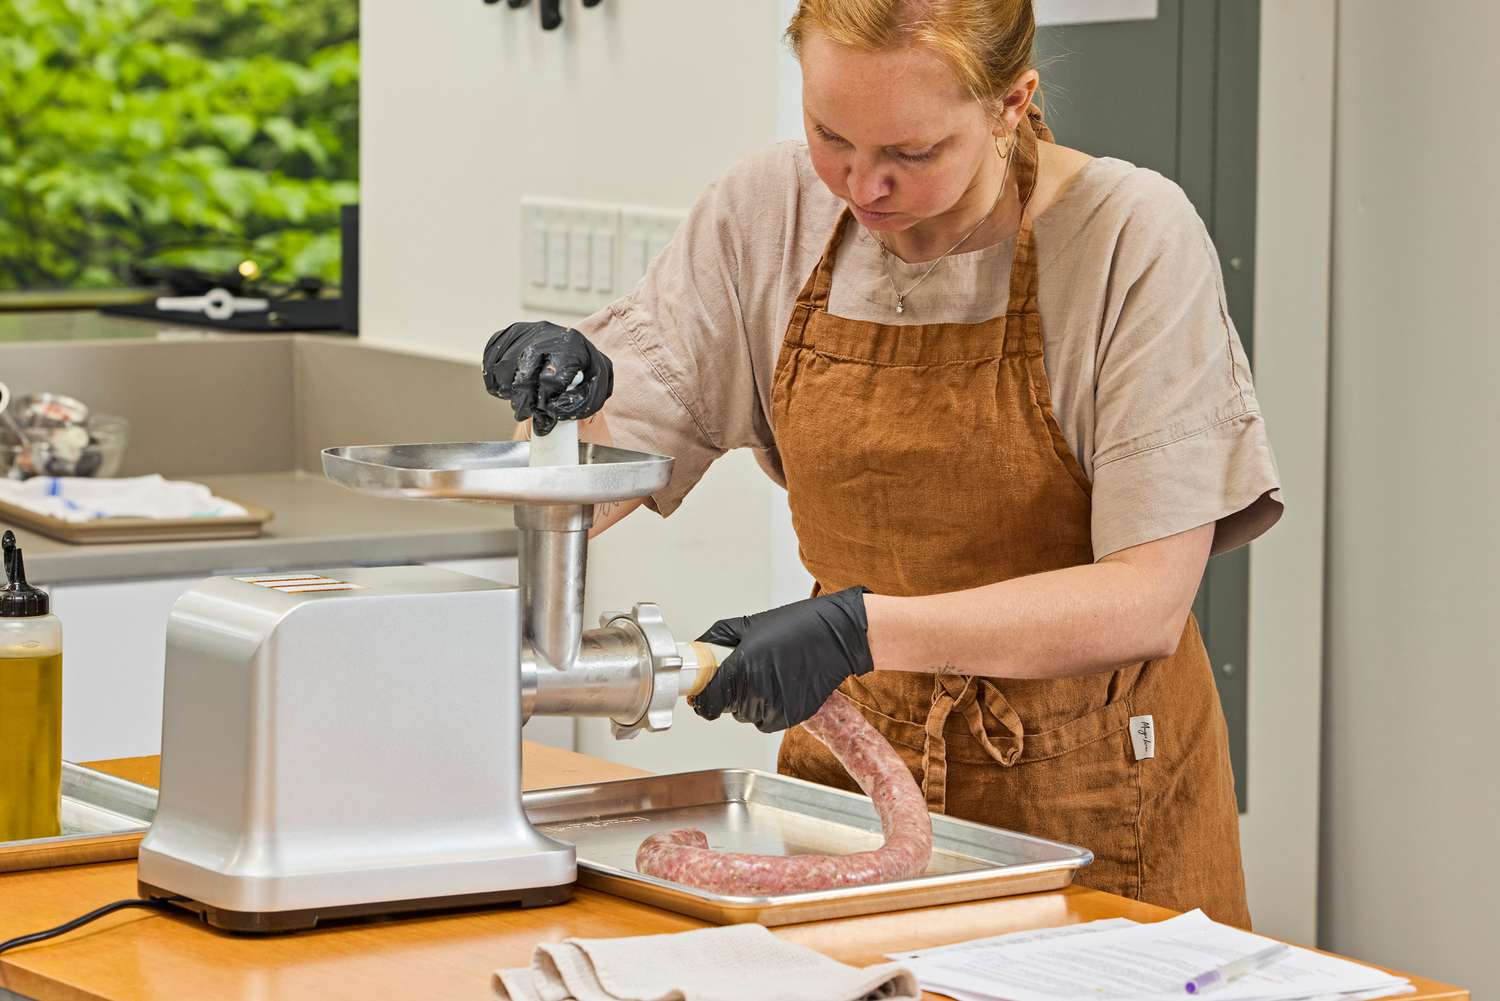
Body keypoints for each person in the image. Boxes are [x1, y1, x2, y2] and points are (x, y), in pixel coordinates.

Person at [481, 0, 1281, 928]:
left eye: (912, 153)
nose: (864, 185)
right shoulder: (767, 213)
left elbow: (1142, 601)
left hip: (1095, 786)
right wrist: (563, 411)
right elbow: (616, 461)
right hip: (849, 776)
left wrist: (858, 629)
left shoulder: (1127, 237)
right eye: (831, 135)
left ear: (1010, 104)